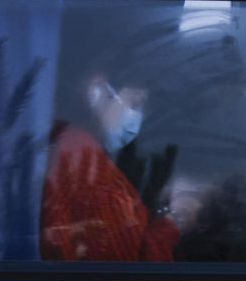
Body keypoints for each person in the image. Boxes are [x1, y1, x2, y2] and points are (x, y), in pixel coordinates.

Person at [40, 70, 180, 262]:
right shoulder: (82, 159)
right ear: (96, 90)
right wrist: (168, 223)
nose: (136, 117)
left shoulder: (71, 148)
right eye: (135, 103)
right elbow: (127, 266)